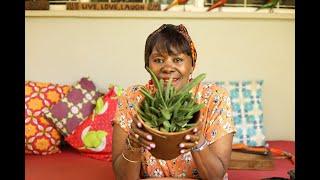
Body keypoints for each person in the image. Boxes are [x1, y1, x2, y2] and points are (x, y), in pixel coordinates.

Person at [112, 24, 236, 180]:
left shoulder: (214, 97)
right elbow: (122, 178)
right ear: (147, 66)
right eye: (158, 60)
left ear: (192, 65)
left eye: (177, 59)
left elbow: (216, 177)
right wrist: (133, 143)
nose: (168, 67)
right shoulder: (131, 98)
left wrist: (198, 142)